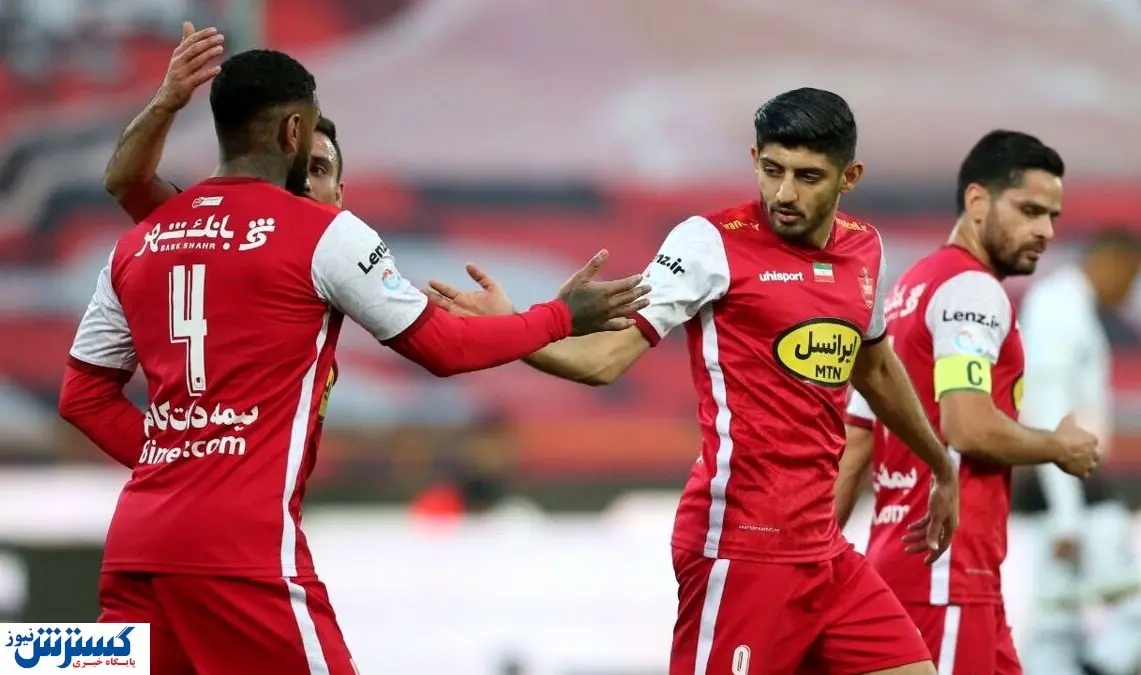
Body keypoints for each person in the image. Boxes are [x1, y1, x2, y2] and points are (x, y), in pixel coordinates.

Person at [57, 48, 648, 674]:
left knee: (64, 662)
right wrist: (559, 317)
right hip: (241, 554)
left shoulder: (141, 238)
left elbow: (83, 395)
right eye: (308, 152)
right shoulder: (323, 235)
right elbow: (444, 349)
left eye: (324, 171)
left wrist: (184, 464)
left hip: (137, 547)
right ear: (293, 131)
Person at [427, 87, 959, 675]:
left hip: (823, 550)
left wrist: (941, 465)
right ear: (754, 159)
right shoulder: (708, 243)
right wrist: (513, 327)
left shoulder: (865, 249)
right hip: (740, 547)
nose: (784, 193)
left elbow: (876, 367)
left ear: (849, 177)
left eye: (808, 176)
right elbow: (605, 360)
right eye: (773, 170)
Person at [838, 130, 1101, 675]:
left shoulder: (910, 289)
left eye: (1051, 216)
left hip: (912, 566)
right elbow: (968, 426)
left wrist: (813, 561)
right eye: (1029, 210)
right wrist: (1058, 447)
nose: (1045, 231)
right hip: (945, 575)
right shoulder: (972, 292)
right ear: (978, 200)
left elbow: (857, 443)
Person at [1017, 228, 1141, 675]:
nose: (1128, 292)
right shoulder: (1059, 310)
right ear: (1112, 263)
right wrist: (1066, 512)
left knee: (1057, 619)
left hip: (1062, 481)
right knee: (1132, 608)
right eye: (1130, 277)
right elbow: (1050, 408)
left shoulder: (1071, 308)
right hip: (1071, 482)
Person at [103, 22, 346, 215]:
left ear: (338, 195)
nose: (304, 182)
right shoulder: (204, 224)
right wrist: (164, 103)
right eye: (294, 166)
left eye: (318, 170)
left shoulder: (354, 249)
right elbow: (127, 183)